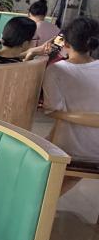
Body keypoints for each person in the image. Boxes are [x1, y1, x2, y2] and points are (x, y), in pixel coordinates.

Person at [35, 17, 99, 190]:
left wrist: (59, 114)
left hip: (70, 150)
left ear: (66, 43)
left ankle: (38, 204)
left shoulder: (56, 70)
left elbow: (52, 109)